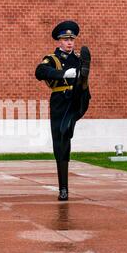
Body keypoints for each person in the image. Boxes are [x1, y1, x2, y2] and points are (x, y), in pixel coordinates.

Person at [35, 20, 91, 201]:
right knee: (61, 141)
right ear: (59, 41)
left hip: (77, 98)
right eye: (65, 39)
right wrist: (63, 74)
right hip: (60, 101)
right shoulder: (52, 59)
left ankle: (79, 91)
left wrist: (82, 82)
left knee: (66, 129)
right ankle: (63, 188)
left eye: (71, 39)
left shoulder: (78, 59)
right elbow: (40, 71)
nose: (69, 42)